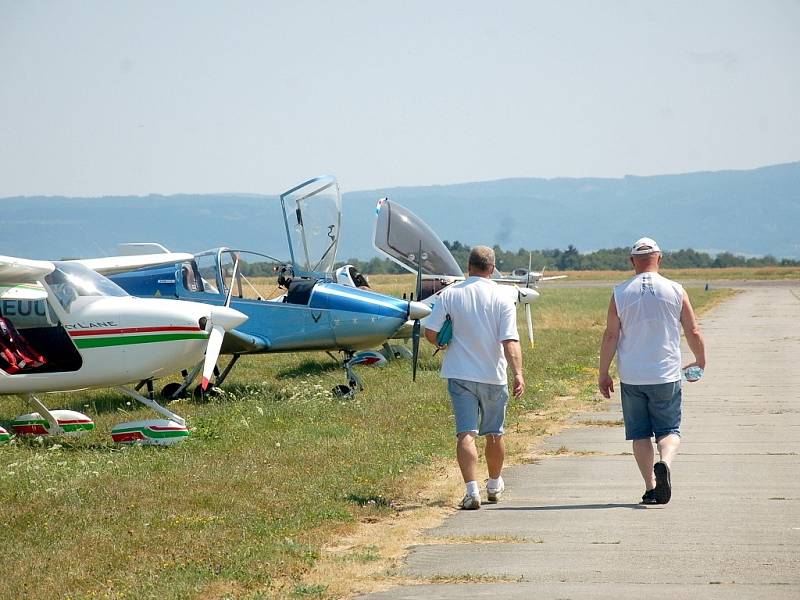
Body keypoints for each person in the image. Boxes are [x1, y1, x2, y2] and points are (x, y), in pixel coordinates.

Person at [598, 237, 706, 505]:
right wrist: (700, 360)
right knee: (669, 430)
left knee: (640, 434)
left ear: (632, 261)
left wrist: (603, 372)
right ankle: (666, 462)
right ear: (659, 258)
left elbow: (611, 335)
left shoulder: (620, 292)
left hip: (633, 376)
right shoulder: (676, 290)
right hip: (666, 374)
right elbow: (692, 330)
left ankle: (650, 486)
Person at [424, 246, 525, 510]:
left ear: (468, 266)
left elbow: (431, 332)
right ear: (491, 268)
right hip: (494, 375)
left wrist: (445, 342)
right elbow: (510, 341)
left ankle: (472, 491)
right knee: (494, 433)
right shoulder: (503, 297)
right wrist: (518, 374)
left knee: (465, 433)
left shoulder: (450, 294)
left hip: (460, 374)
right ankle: (494, 483)